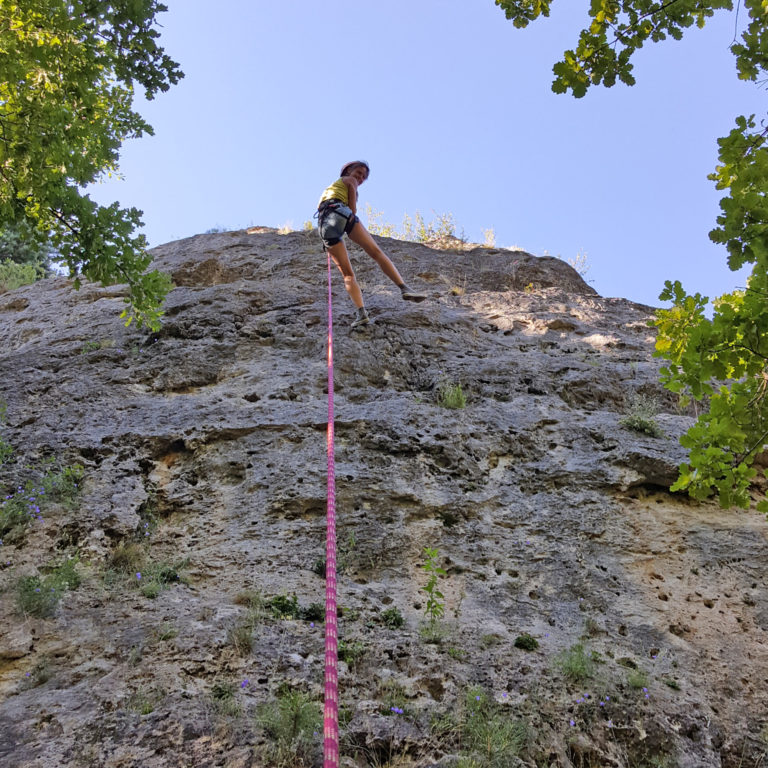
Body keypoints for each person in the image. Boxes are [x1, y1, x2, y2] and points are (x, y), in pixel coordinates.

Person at [316, 160, 425, 329]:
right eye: (358, 173)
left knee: (347, 274)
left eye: (363, 177)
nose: (359, 178)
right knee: (376, 252)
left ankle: (361, 313)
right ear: (348, 171)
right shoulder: (348, 180)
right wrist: (351, 211)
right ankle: (404, 287)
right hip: (341, 213)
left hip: (326, 224)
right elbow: (352, 204)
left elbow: (319, 207)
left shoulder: (329, 189)